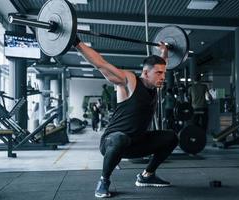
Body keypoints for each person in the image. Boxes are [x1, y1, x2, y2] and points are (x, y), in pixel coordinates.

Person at [74, 37, 178, 198]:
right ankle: (104, 181)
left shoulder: (154, 84)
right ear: (145, 73)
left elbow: (160, 64)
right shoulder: (129, 81)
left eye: (164, 73)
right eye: (159, 73)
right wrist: (76, 43)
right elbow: (100, 63)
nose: (163, 76)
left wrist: (164, 51)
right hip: (112, 142)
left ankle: (147, 176)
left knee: (171, 137)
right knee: (120, 139)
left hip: (136, 143)